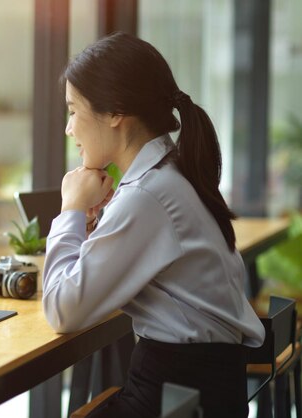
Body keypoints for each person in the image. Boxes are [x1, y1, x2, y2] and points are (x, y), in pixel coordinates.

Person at [42, 32, 265, 418]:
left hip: (175, 396)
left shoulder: (147, 195)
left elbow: (63, 311)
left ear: (115, 112)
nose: (68, 129)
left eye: (73, 111)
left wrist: (71, 210)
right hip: (201, 390)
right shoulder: (170, 173)